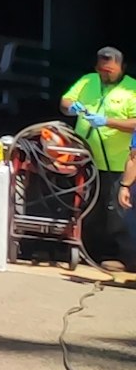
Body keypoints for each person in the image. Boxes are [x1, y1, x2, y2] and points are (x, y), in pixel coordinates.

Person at [65, 46, 136, 267]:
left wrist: (107, 122)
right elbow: (65, 102)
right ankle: (88, 252)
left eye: (111, 71)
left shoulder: (132, 89)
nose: (105, 75)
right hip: (85, 160)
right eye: (102, 70)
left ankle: (120, 257)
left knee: (116, 212)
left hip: (117, 163)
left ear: (122, 68)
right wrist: (72, 108)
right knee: (87, 208)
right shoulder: (88, 81)